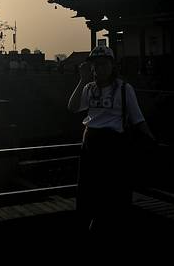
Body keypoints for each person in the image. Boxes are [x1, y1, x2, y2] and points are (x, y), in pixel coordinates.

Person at [67, 45, 156, 236]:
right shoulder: (89, 88)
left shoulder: (124, 89)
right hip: (91, 141)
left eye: (103, 64)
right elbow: (73, 107)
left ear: (112, 65)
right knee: (88, 189)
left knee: (113, 191)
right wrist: (82, 80)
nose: (99, 68)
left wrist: (150, 139)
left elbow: (137, 118)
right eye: (96, 64)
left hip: (113, 144)